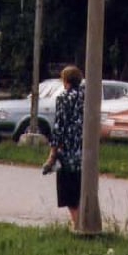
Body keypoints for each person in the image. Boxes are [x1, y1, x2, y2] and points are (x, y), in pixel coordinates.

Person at [44, 65, 84, 228]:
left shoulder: (63, 98)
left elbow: (59, 126)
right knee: (80, 187)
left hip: (68, 148)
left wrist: (52, 153)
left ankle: (77, 224)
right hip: (83, 147)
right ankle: (82, 220)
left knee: (68, 189)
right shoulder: (86, 96)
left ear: (65, 80)